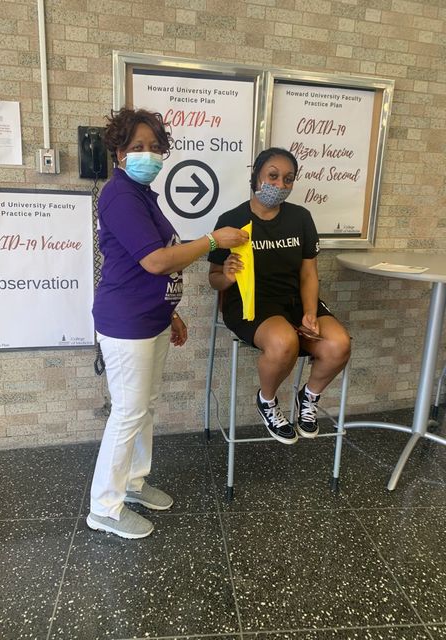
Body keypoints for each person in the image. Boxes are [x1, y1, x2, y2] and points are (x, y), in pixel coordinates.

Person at [88, 107, 248, 539]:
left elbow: (144, 262)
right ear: (119, 151)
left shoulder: (143, 195)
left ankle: (133, 483)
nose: (149, 154)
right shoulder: (120, 195)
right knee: (128, 412)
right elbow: (156, 261)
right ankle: (104, 507)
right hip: (126, 322)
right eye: (138, 146)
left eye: (156, 147)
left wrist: (170, 311)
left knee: (146, 406)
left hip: (151, 316)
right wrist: (212, 241)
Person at [208, 147, 351, 445]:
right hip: (250, 303)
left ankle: (308, 397)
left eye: (288, 179)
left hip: (294, 301)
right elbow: (214, 279)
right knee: (284, 342)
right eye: (272, 176)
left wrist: (309, 312)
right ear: (256, 176)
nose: (280, 185)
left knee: (338, 344)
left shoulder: (301, 218)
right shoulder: (232, 219)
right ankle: (267, 401)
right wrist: (228, 276)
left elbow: (308, 273)